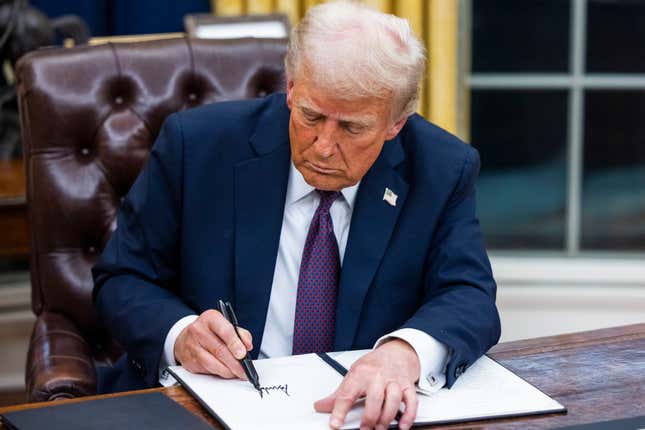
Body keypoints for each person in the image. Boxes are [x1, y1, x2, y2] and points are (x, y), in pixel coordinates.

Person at [92, 2, 500, 429]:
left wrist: (404, 353)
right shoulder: (196, 147)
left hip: (351, 414)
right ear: (291, 87)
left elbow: (469, 294)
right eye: (310, 115)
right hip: (204, 409)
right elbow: (122, 277)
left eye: (352, 128)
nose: (323, 145)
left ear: (396, 123)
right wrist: (181, 334)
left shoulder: (440, 168)